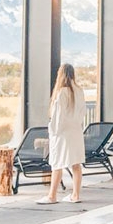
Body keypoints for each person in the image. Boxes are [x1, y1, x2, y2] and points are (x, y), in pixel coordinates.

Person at [39, 63, 86, 203]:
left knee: (57, 164)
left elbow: (58, 117)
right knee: (76, 164)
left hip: (63, 134)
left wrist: (53, 131)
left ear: (61, 74)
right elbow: (82, 113)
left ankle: (52, 196)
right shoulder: (79, 91)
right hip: (76, 132)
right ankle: (75, 195)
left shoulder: (61, 93)